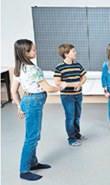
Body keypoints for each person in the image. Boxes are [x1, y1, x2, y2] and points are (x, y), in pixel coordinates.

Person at [11, 39, 66, 181]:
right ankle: (24, 170)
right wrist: (61, 87)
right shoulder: (32, 69)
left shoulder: (20, 67)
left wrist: (19, 106)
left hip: (28, 102)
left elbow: (13, 91)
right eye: (34, 50)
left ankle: (33, 163)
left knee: (34, 134)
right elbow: (48, 88)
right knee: (32, 137)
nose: (36, 51)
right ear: (26, 52)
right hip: (33, 103)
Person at [54, 43, 87, 147]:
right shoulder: (59, 67)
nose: (75, 52)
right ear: (66, 54)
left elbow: (84, 77)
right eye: (73, 51)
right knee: (70, 117)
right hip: (67, 96)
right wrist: (72, 84)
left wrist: (80, 84)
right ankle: (71, 139)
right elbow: (57, 82)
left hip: (78, 95)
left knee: (77, 116)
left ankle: (77, 134)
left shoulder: (77, 65)